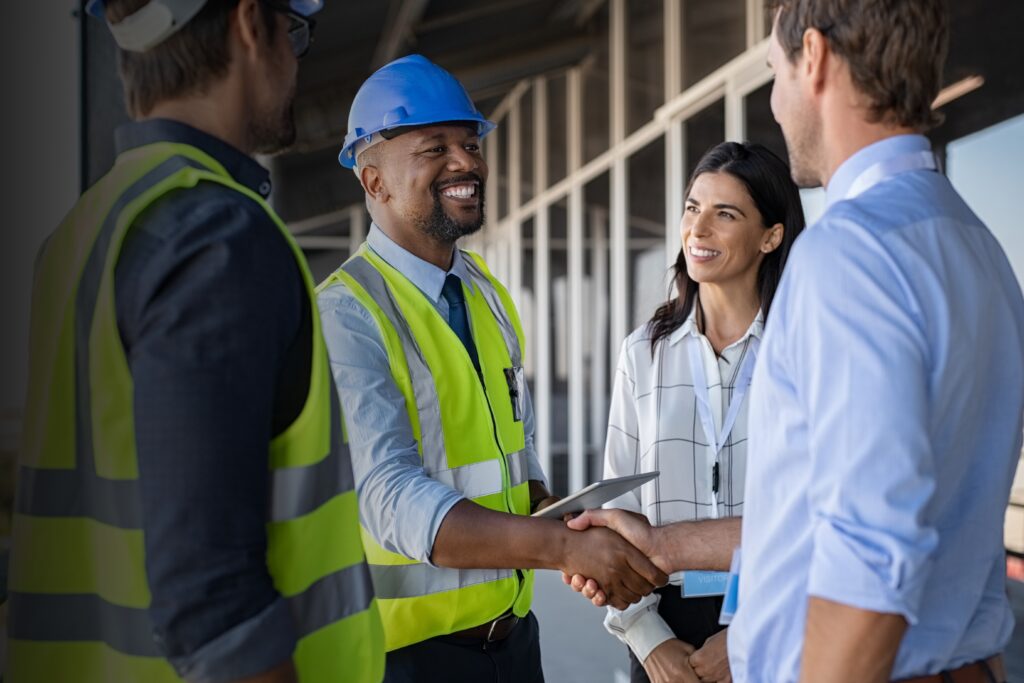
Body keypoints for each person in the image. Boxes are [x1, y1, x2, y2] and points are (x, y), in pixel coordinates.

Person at [570, 0, 1024, 681]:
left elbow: (869, 556)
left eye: (772, 71)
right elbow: (823, 517)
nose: (776, 104)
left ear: (812, 57)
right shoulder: (976, 245)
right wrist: (665, 545)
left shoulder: (849, 252)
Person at [6, 1, 385, 682]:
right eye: (293, 30)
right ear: (248, 23)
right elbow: (214, 605)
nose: (296, 59)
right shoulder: (214, 239)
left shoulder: (81, 233)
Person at [317, 54, 667, 683]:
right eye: (435, 147)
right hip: (403, 661)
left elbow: (513, 459)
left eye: (470, 142)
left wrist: (568, 518)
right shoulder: (346, 315)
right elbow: (391, 500)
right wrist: (563, 547)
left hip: (512, 644)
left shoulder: (483, 294)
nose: (466, 162)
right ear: (374, 181)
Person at [601, 141, 804, 683]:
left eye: (725, 214)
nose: (698, 228)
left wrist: (750, 636)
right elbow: (617, 504)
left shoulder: (804, 351)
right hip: (662, 621)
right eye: (693, 208)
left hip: (777, 620)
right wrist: (649, 643)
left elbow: (820, 511)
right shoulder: (641, 351)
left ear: (771, 235)